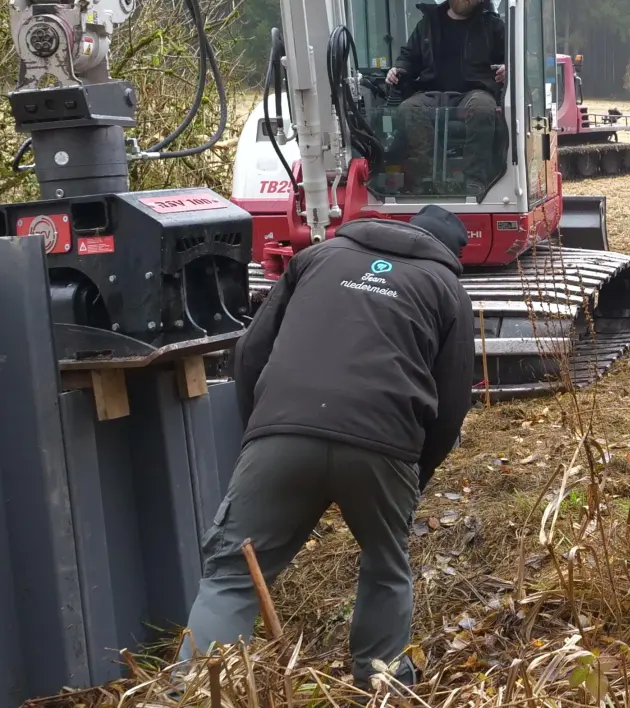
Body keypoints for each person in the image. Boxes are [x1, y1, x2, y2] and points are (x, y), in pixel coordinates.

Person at [182, 205, 476, 687]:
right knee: (385, 565)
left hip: (281, 428)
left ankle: (191, 693)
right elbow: (451, 405)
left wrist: (262, 428)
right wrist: (412, 478)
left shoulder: (316, 258)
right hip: (386, 443)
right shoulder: (446, 289)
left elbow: (251, 350)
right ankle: (378, 686)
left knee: (231, 576)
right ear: (449, 252)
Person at [389, 0, 509, 194]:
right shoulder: (428, 23)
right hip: (432, 92)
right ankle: (424, 181)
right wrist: (398, 69)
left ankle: (475, 181)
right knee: (408, 109)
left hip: (475, 92)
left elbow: (511, 56)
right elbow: (408, 56)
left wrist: (507, 67)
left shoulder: (492, 25)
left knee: (484, 109)